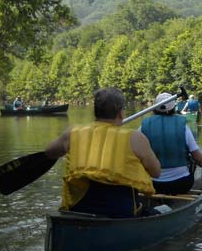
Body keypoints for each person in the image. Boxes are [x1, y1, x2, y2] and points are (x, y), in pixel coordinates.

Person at [44, 88, 161, 218]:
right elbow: (156, 172)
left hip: (79, 208)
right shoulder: (136, 138)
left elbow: (49, 152)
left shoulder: (73, 132)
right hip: (119, 211)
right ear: (121, 113)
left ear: (96, 111)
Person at [140, 92, 202, 195]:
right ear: (173, 107)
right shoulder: (183, 126)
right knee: (197, 169)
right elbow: (197, 157)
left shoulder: (143, 126)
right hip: (180, 184)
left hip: (152, 184)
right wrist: (201, 163)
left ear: (155, 107)